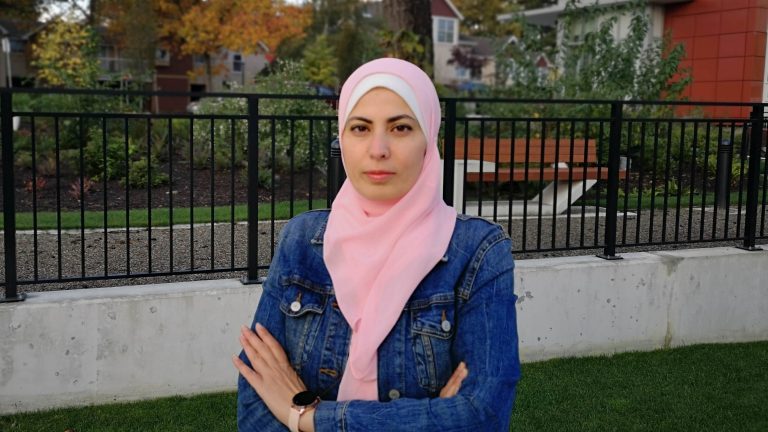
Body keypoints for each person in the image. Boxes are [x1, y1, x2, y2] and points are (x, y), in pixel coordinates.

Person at [233, 57, 520, 432]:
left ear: (428, 139)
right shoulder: (302, 241)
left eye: (400, 127)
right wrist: (429, 418)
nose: (378, 148)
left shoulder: (478, 252)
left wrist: (306, 417)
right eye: (360, 128)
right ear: (343, 138)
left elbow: (482, 417)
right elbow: (255, 409)